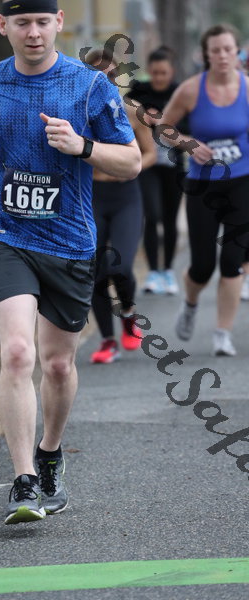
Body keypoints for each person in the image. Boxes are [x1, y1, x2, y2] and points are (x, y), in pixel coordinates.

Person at [0, 0, 141, 524]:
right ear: (3, 26)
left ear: (58, 22)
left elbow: (130, 161)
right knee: (18, 353)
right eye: (22, 23)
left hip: (69, 242)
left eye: (41, 22)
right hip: (7, 234)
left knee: (58, 364)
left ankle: (50, 454)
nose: (33, 32)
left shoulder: (90, 85)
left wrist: (82, 146)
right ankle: (23, 481)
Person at [159, 24, 249, 356]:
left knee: (233, 261)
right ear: (206, 54)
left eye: (228, 49)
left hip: (243, 182)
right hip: (204, 187)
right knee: (203, 266)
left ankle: (222, 334)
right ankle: (191, 302)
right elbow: (163, 128)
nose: (223, 56)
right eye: (216, 50)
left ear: (237, 51)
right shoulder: (191, 90)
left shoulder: (248, 88)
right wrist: (188, 144)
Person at [83, 49, 156, 364]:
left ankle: (128, 313)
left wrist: (130, 166)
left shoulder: (131, 109)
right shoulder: (78, 110)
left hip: (127, 195)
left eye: (112, 75)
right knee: (97, 270)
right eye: (98, 76)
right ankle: (107, 340)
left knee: (121, 267)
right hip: (92, 195)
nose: (107, 81)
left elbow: (150, 153)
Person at [127, 46, 185, 295]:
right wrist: (142, 115)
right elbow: (124, 113)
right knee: (152, 215)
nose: (159, 77)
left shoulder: (180, 93)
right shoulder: (139, 91)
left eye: (164, 73)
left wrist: (163, 122)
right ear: (149, 71)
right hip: (148, 163)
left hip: (173, 166)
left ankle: (168, 271)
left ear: (171, 72)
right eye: (155, 72)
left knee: (170, 219)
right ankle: (152, 272)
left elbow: (190, 128)